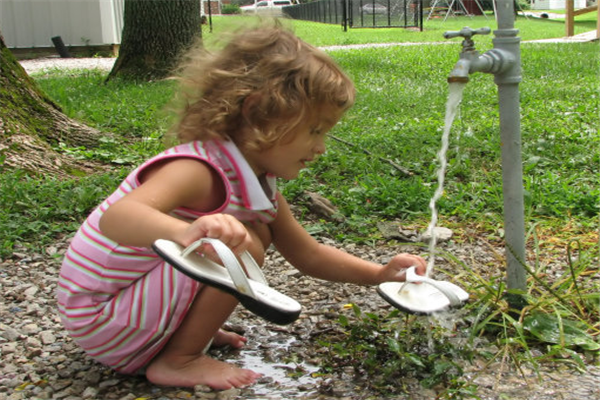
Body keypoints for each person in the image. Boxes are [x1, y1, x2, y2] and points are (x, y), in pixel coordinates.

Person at [57, 23, 427, 390]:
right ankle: (179, 359)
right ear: (258, 115)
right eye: (315, 130)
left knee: (256, 234)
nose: (321, 147)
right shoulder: (197, 169)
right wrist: (187, 232)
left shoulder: (255, 181)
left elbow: (308, 254)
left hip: (128, 312)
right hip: (103, 319)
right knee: (241, 244)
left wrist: (379, 274)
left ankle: (181, 332)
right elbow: (118, 218)